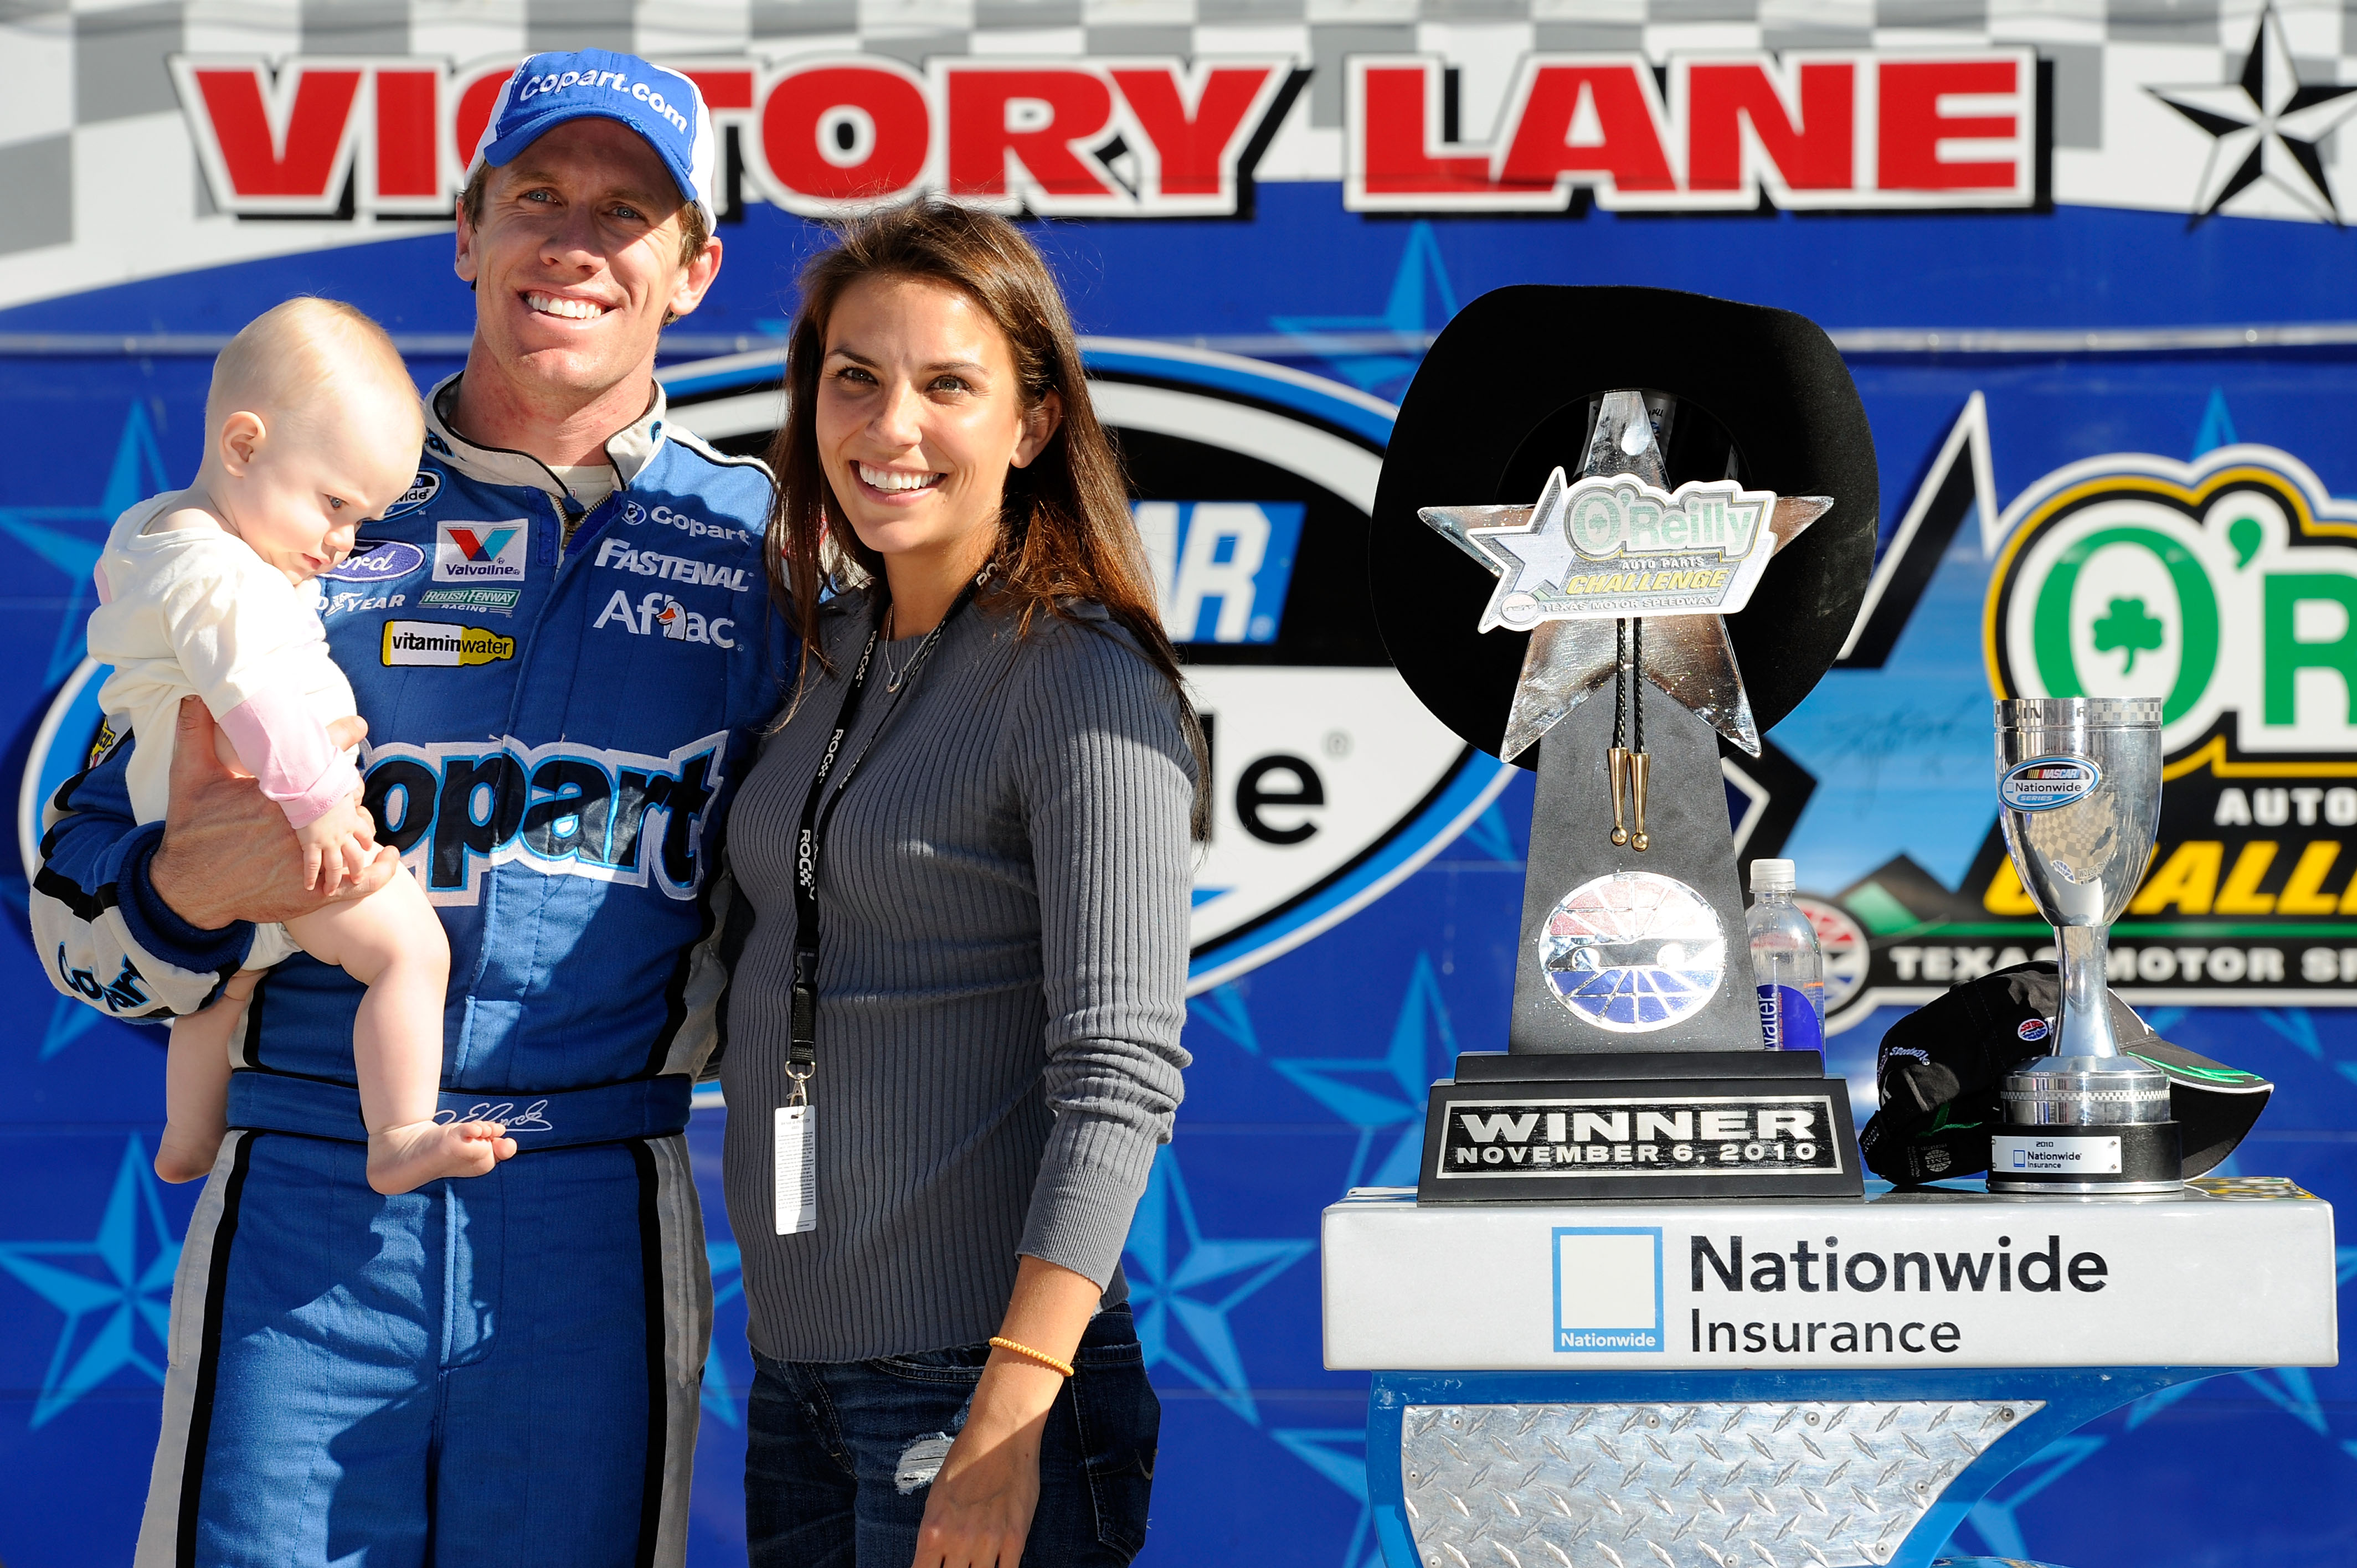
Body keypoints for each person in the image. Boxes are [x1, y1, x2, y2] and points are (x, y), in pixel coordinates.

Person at [31, 49, 789, 1566]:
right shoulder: (301, 508)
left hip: (591, 1214)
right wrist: (187, 891)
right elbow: (74, 904)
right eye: (536, 198)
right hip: (308, 1196)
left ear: (693, 268)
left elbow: (854, 923)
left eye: (627, 213)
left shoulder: (766, 548)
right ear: (465, 232)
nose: (574, 241)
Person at [722, 199, 1201, 1567]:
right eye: (853, 378)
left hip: (973, 1394)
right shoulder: (828, 656)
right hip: (799, 1385)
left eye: (948, 385)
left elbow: (1118, 1070)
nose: (890, 427)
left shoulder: (1079, 675)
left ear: (1033, 423)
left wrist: (1008, 1413)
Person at [91, 298, 511, 1196]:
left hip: (194, 825)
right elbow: (253, 696)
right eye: (333, 504)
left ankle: (188, 1136)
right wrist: (321, 807)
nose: (343, 542)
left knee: (222, 985)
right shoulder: (218, 577)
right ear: (242, 447)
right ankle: (398, 1131)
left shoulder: (154, 537)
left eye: (361, 518)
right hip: (282, 824)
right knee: (409, 954)